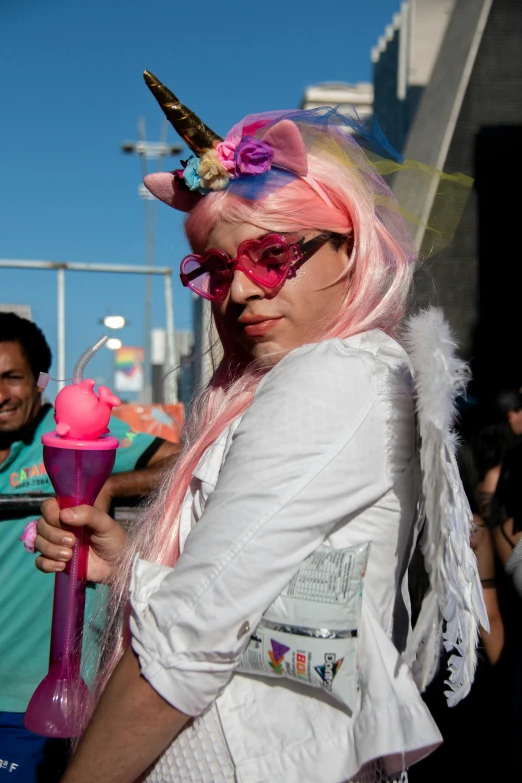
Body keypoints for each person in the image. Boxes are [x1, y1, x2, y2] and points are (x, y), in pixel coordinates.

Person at [35, 72, 482, 783]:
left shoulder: (335, 373)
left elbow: (185, 645)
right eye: (217, 269)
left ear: (350, 247)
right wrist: (124, 561)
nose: (239, 290)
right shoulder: (301, 381)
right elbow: (262, 591)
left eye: (272, 256)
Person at [0, 312, 180, 783]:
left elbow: (178, 460)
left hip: (32, 702)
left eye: (12, 378)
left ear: (40, 384)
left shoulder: (70, 438)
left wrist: (111, 484)